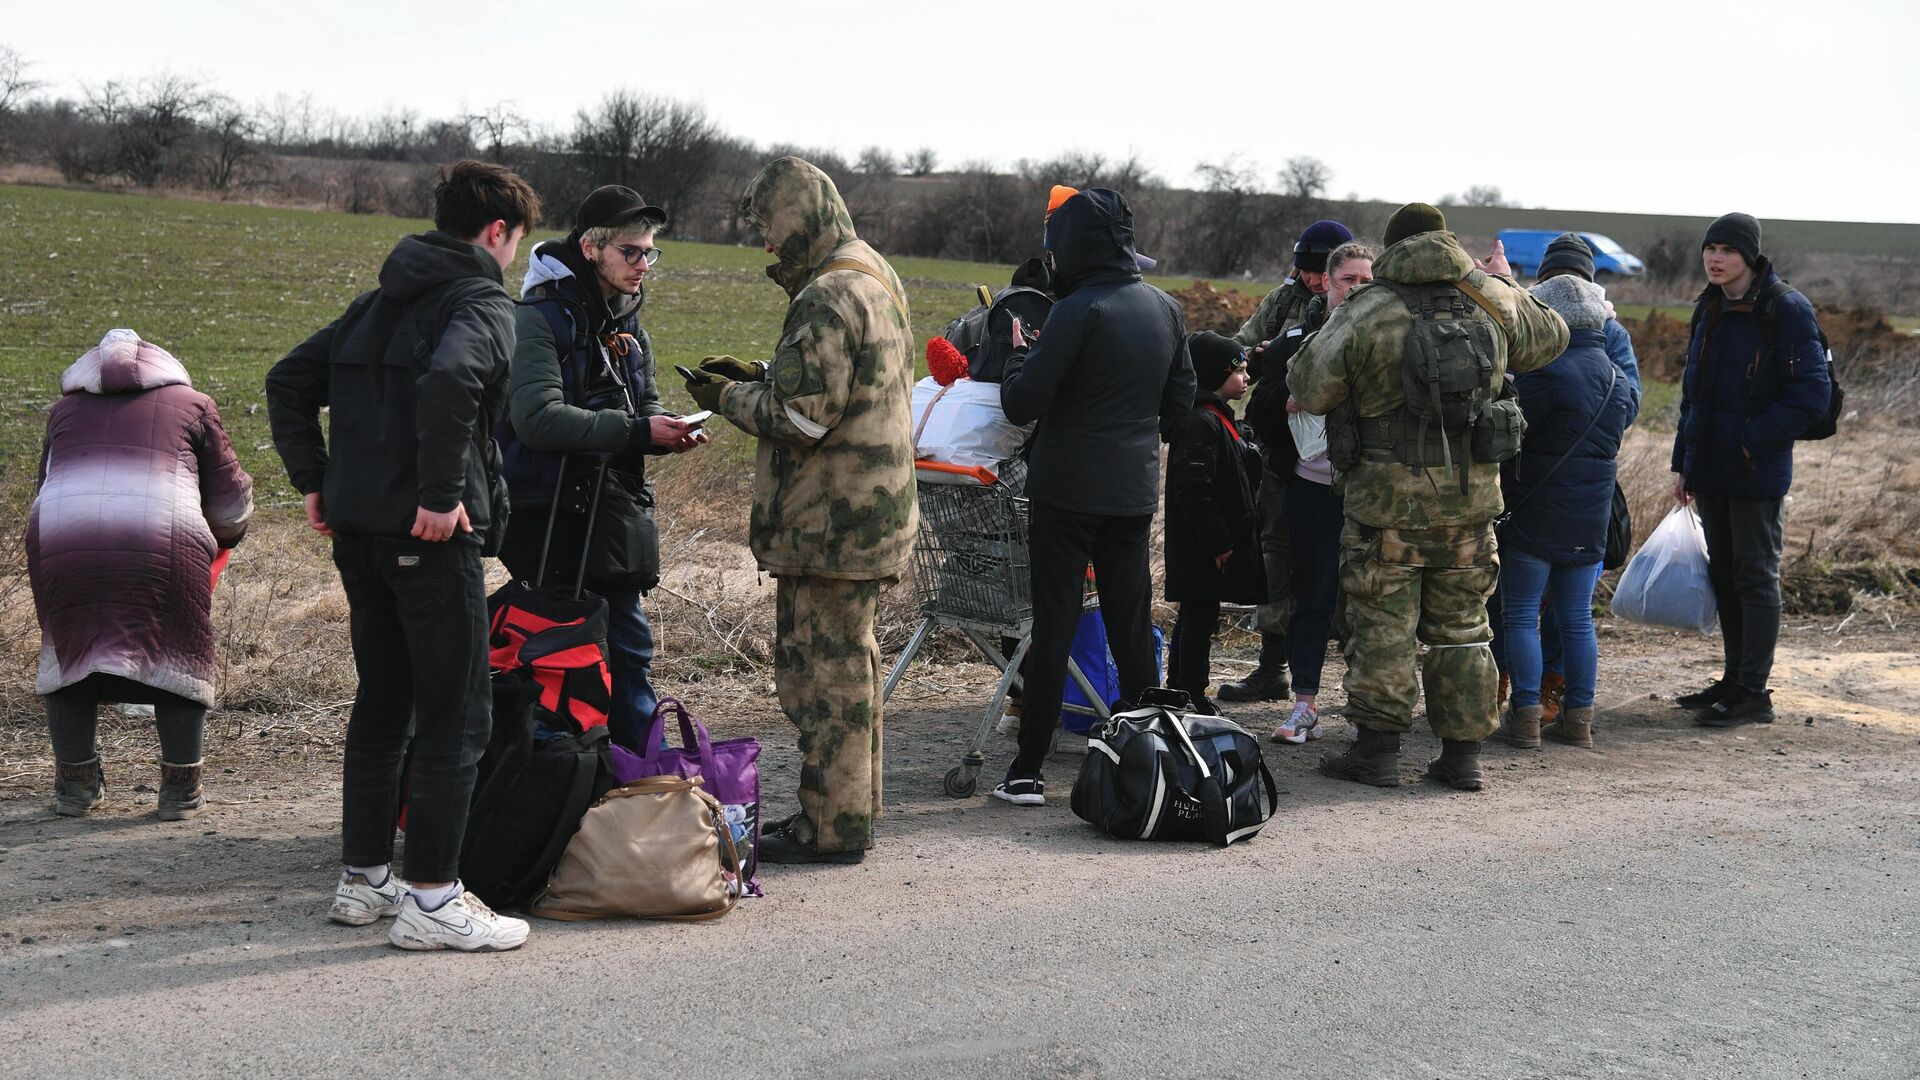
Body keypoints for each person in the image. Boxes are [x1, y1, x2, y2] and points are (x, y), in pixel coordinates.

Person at [266, 160, 539, 951]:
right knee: (458, 715)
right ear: (498, 232)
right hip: (432, 537)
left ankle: (364, 879)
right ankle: (433, 899)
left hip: (359, 534)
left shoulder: (375, 303)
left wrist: (314, 482)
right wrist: (440, 492)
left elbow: (287, 379)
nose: (514, 253)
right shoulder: (484, 302)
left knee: (384, 702)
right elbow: (453, 379)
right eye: (516, 240)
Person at [683, 156, 915, 863]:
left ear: (796, 215)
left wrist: (722, 398)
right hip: (874, 517)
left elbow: (803, 420)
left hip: (830, 526)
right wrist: (764, 373)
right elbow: (844, 383)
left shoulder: (826, 293)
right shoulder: (870, 269)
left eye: (767, 226)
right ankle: (852, 812)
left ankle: (830, 828)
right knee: (854, 672)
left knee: (821, 682)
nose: (765, 243)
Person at [1289, 203, 1567, 791]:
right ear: (1448, 243)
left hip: (1383, 505)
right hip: (1471, 505)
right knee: (1463, 628)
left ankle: (1379, 752)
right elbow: (1553, 336)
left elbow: (1308, 385)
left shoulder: (1370, 308)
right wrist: (1496, 280)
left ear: (1390, 249)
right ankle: (1462, 756)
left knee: (1383, 624)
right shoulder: (1489, 297)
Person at [990, 187, 1195, 807]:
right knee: (1131, 624)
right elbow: (1180, 404)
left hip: (1066, 490)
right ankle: (1148, 757)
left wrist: (1017, 360)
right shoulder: (1165, 309)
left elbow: (1023, 402)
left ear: (1070, 249)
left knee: (1055, 624)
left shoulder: (1076, 310)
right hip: (1132, 491)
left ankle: (1028, 771)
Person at [499, 185, 704, 750]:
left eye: (649, 253)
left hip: (611, 517)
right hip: (548, 518)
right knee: (565, 662)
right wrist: (638, 432)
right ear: (591, 249)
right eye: (631, 252)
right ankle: (587, 789)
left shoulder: (628, 323)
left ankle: (628, 793)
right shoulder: (538, 319)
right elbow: (537, 419)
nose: (643, 265)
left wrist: (668, 432)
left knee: (625, 656)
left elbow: (647, 405)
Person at [29, 329, 253, 820]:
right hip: (162, 539)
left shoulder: (63, 412)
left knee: (71, 647)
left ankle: (76, 786)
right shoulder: (194, 406)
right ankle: (180, 789)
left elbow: (46, 482)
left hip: (64, 539)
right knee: (178, 647)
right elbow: (231, 503)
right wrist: (226, 537)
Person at [1671, 213, 1831, 728]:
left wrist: (1748, 444)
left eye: (1727, 251)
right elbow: (1692, 394)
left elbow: (1811, 396)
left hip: (1754, 469)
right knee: (1725, 574)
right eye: (1709, 249)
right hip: (1711, 466)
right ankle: (1734, 679)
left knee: (1755, 576)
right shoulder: (1709, 306)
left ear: (1749, 256)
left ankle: (1753, 693)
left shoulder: (1785, 309)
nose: (1715, 259)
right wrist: (1684, 462)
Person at [1489, 232, 1642, 719]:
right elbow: (1624, 407)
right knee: (1576, 617)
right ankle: (1579, 714)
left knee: (1522, 612)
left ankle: (1531, 705)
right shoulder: (1611, 358)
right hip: (1588, 498)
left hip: (1538, 495)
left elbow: (1510, 424)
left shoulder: (1559, 355)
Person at [1248, 240, 1377, 744]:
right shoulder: (1298, 340)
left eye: (1368, 281)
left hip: (1369, 496)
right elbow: (1258, 409)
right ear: (1327, 282)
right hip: (1311, 491)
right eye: (1350, 280)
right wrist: (1286, 402)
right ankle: (1304, 705)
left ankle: (1370, 707)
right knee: (1313, 599)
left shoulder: (1386, 340)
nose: (1358, 289)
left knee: (1370, 606)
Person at [1220, 219, 1354, 705]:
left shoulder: (1363, 304)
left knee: (1345, 567)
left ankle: (1345, 678)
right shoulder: (1283, 303)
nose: (1314, 282)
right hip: (1283, 453)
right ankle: (1272, 666)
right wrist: (1252, 358)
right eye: (1307, 272)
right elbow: (1240, 352)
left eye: (1323, 273)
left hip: (1342, 460)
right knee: (1277, 555)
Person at [1163, 331, 1264, 716]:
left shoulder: (1218, 417)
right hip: (1201, 547)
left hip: (1206, 545)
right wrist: (1218, 541)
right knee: (1198, 618)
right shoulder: (1200, 423)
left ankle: (1181, 687)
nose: (1246, 378)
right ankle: (1191, 692)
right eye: (1238, 370)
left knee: (1197, 614)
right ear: (1213, 374)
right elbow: (1193, 491)